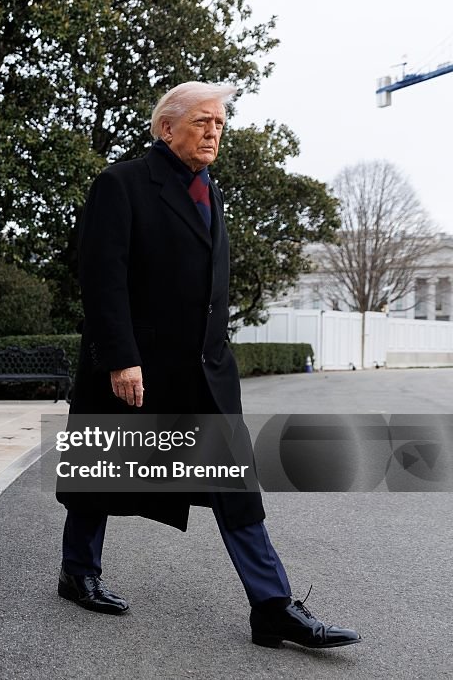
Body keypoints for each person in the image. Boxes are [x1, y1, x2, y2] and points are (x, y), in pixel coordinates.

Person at [57, 81, 360, 649]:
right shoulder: (120, 185)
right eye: (202, 121)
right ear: (165, 127)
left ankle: (271, 605)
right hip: (140, 365)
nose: (214, 132)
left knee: (235, 485)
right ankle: (79, 571)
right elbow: (102, 282)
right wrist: (121, 360)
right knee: (103, 471)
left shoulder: (208, 189)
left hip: (203, 369)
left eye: (219, 123)